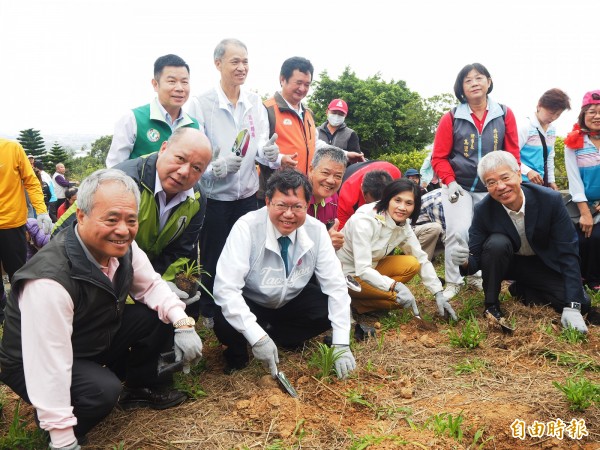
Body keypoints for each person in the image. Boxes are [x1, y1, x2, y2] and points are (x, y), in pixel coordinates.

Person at [0, 169, 203, 450]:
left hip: (84, 336)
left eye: (131, 220)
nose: (123, 229)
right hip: (33, 361)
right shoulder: (50, 280)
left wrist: (183, 323)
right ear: (81, 216)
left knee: (153, 316)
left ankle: (139, 387)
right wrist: (62, 437)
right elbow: (49, 364)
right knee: (102, 391)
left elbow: (152, 286)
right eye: (111, 219)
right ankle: (56, 421)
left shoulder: (123, 247)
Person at [212, 169, 356, 379]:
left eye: (297, 207)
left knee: (324, 309)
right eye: (281, 205)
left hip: (290, 299)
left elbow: (335, 285)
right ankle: (239, 353)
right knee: (224, 320)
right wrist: (257, 337)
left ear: (307, 206)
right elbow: (226, 289)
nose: (289, 214)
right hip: (253, 299)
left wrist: (342, 343)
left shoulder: (316, 231)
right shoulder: (247, 227)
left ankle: (282, 336)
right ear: (268, 201)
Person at [53, 128, 212, 305]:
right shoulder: (123, 181)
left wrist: (159, 287)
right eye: (180, 159)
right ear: (164, 148)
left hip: (144, 280)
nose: (184, 172)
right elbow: (63, 232)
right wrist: (132, 293)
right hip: (98, 279)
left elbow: (181, 250)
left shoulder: (196, 198)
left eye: (196, 168)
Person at [185, 38, 280, 325]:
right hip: (214, 197)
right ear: (218, 64)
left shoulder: (255, 104)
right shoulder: (202, 105)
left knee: (246, 252)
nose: (241, 67)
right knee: (213, 254)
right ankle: (211, 311)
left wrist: (269, 154)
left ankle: (243, 304)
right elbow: (193, 155)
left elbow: (263, 145)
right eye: (234, 61)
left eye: (245, 61)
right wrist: (216, 168)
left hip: (247, 194)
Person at [450, 151, 594, 333]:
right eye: (491, 183)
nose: (500, 187)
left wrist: (573, 305)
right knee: (497, 242)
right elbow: (475, 260)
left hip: (543, 264)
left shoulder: (550, 200)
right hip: (509, 263)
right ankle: (491, 305)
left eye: (505, 177)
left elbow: (568, 252)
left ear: (518, 174)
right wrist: (463, 259)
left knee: (583, 303)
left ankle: (522, 289)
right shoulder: (483, 209)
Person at [431, 62, 520, 300]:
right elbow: (439, 157)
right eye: (467, 80)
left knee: (486, 233)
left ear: (489, 82)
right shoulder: (451, 117)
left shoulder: (504, 113)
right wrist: (450, 182)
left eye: (479, 78)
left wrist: (510, 178)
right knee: (458, 230)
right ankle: (453, 280)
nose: (474, 83)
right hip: (459, 185)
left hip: (492, 186)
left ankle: (475, 275)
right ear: (461, 88)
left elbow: (512, 152)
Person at [337, 179, 453, 320]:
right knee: (398, 299)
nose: (402, 207)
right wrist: (395, 286)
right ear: (387, 199)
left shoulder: (403, 224)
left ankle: (361, 302)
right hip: (349, 276)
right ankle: (351, 300)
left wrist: (438, 293)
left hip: (372, 268)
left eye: (409, 203)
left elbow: (420, 257)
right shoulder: (364, 221)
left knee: (412, 263)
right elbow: (362, 269)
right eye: (397, 200)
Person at [106, 54, 199, 168]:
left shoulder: (195, 126)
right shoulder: (133, 119)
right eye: (172, 81)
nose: (180, 88)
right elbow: (115, 169)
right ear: (155, 84)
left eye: (184, 82)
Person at [0, 139, 51, 323]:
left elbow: (31, 181)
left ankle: (23, 312)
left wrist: (42, 210)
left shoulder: (11, 148)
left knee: (18, 272)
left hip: (11, 223)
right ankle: (2, 315)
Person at [257, 56, 316, 206]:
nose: (302, 89)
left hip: (301, 191)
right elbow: (257, 149)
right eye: (298, 83)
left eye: (307, 84)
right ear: (282, 79)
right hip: (275, 192)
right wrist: (279, 159)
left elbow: (314, 143)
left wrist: (344, 154)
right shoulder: (266, 109)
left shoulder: (308, 113)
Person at [564, 90, 600, 292]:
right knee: (580, 238)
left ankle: (595, 278)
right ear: (583, 115)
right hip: (582, 204)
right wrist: (585, 212)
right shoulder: (574, 143)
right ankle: (579, 276)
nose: (597, 116)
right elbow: (574, 180)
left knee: (597, 237)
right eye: (592, 111)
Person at [519, 88, 571, 190]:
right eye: (551, 113)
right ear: (539, 106)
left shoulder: (552, 129)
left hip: (540, 182)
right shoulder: (525, 126)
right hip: (522, 181)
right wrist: (528, 171)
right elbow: (510, 155)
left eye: (558, 114)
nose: (554, 118)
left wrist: (551, 180)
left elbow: (550, 156)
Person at [337, 160, 401, 229]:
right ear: (363, 192)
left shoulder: (396, 177)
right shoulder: (347, 196)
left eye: (382, 203)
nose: (375, 208)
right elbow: (341, 228)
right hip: (352, 171)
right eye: (371, 203)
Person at [307, 146, 347, 250]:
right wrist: (326, 243)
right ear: (311, 170)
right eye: (325, 173)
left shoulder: (333, 198)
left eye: (338, 176)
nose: (331, 180)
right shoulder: (295, 199)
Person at [404, 170, 443, 261]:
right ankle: (417, 258)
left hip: (423, 225)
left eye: (416, 178)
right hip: (410, 226)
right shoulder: (403, 191)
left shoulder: (422, 190)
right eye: (411, 178)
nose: (414, 180)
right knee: (436, 228)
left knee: (441, 230)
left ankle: (427, 256)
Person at [316, 98, 365, 162]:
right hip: (318, 170)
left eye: (340, 114)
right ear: (327, 111)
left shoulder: (350, 134)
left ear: (345, 115)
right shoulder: (315, 131)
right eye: (334, 112)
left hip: (343, 171)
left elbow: (355, 160)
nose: (337, 116)